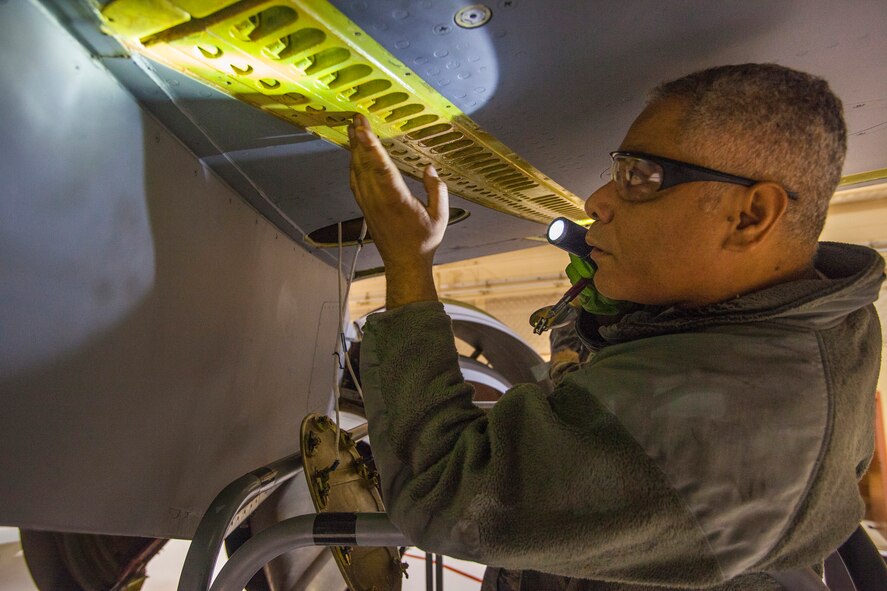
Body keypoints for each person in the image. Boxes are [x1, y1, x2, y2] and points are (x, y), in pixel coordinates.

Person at [346, 64, 885, 590]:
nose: (597, 202)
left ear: (750, 215)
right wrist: (618, 312)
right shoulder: (831, 314)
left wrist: (409, 265)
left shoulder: (707, 431)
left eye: (640, 177)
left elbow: (442, 489)